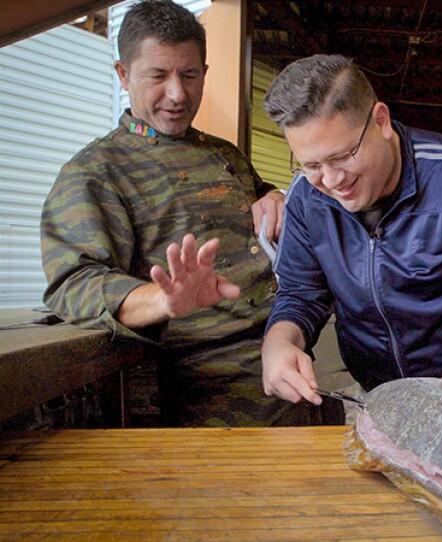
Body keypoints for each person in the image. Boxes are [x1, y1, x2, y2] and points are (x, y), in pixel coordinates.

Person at [40, 0, 324, 427]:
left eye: (189, 76)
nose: (177, 94)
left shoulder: (224, 154)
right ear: (123, 74)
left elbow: (268, 206)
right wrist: (163, 298)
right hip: (205, 398)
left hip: (290, 361)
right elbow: (73, 285)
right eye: (157, 76)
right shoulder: (94, 173)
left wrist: (277, 195)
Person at [260, 54, 442, 411]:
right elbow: (301, 294)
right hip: (374, 395)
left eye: (343, 156)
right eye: (312, 165)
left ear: (381, 121)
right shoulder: (305, 197)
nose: (331, 181)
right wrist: (277, 344)